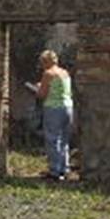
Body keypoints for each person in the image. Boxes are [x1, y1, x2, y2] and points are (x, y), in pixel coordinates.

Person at [26, 49, 73, 181]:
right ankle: (64, 168)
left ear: (45, 62)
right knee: (64, 139)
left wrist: (36, 88)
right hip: (68, 107)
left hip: (53, 108)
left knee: (52, 138)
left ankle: (54, 171)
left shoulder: (48, 73)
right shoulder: (65, 73)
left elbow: (42, 94)